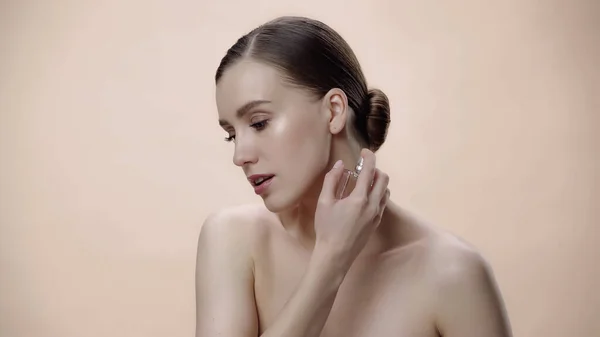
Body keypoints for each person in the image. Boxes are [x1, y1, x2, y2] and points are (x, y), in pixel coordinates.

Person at [195, 16, 512, 337]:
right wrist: (330, 262)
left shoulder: (453, 275)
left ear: (333, 111)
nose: (239, 156)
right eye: (231, 134)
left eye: (259, 122)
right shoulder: (234, 240)